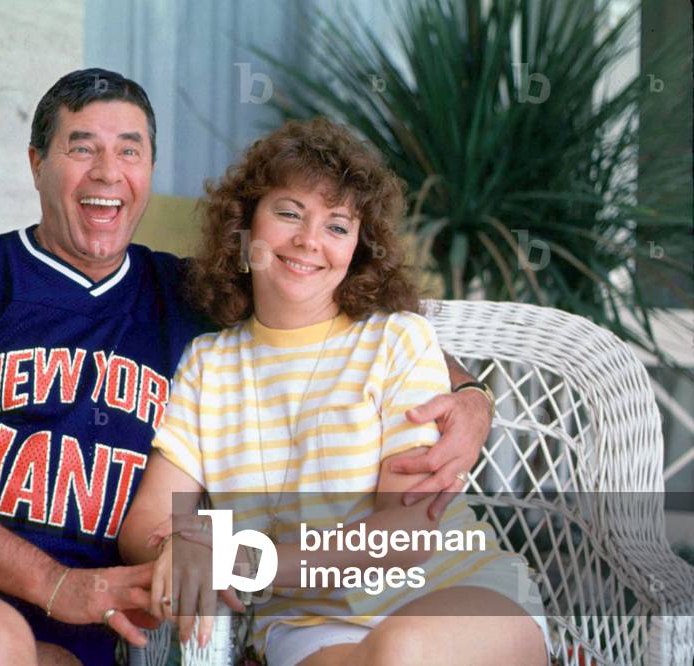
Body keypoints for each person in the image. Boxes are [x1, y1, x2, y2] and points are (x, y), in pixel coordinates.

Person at [0, 69, 495, 666]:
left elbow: (340, 322)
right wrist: (56, 582)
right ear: (36, 163)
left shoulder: (186, 297)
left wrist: (466, 394)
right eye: (81, 146)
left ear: (149, 171)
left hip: (103, 602)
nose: (106, 172)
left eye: (130, 150)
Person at [119, 117, 550, 665]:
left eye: (337, 226)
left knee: (402, 651)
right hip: (307, 623)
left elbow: (406, 533)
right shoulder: (208, 365)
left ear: (358, 250)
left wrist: (242, 559)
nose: (308, 241)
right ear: (245, 223)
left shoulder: (397, 339)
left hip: (451, 588)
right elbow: (146, 521)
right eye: (288, 213)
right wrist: (179, 545)